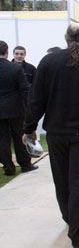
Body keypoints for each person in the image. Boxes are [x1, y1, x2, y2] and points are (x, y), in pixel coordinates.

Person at [23, 24, 79, 248]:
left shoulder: (48, 62)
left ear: (66, 38)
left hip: (56, 133)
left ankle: (71, 220)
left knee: (62, 179)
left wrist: (29, 126)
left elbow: (36, 99)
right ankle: (78, 233)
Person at [0, 41, 37, 176]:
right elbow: (25, 91)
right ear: (7, 52)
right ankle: (25, 164)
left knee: (2, 140)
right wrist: (30, 109)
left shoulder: (15, 68)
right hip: (15, 109)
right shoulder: (15, 68)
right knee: (20, 137)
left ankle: (8, 167)